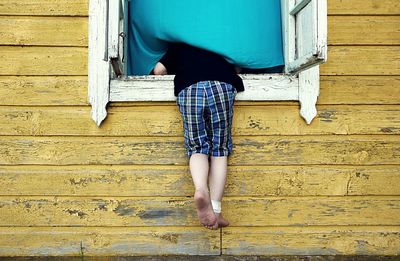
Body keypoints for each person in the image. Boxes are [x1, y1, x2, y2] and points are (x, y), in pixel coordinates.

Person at [152, 42, 244, 230]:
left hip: (190, 87)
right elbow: (239, 65)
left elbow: (158, 70)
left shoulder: (179, 45)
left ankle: (201, 189)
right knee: (219, 150)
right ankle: (216, 211)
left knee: (197, 147)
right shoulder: (223, 39)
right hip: (222, 85)